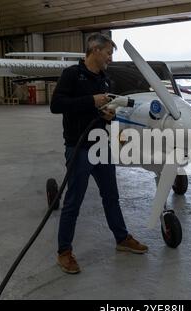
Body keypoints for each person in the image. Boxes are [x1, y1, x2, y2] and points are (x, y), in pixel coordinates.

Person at [50, 33, 148, 274]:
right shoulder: (72, 74)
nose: (110, 59)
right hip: (79, 148)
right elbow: (57, 105)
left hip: (101, 146)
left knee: (111, 196)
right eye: (108, 53)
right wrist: (91, 101)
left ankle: (122, 238)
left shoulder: (105, 79)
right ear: (95, 50)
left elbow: (102, 108)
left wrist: (108, 114)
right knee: (74, 201)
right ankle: (64, 252)